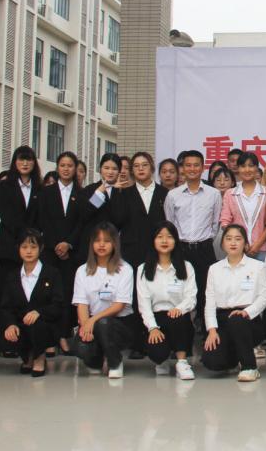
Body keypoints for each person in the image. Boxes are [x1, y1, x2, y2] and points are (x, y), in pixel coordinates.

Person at [201, 224, 266, 381]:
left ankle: (250, 367)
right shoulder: (214, 269)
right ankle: (236, 356)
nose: (233, 243)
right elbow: (210, 302)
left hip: (248, 320)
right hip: (222, 320)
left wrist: (247, 312)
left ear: (245, 243)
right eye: (229, 238)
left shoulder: (258, 267)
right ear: (222, 243)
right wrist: (212, 330)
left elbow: (265, 297)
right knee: (212, 361)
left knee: (237, 320)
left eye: (238, 239)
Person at [164, 150, 222, 328]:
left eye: (196, 165)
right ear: (182, 168)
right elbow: (169, 223)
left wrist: (204, 240)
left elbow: (215, 224)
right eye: (188, 165)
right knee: (179, 290)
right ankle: (183, 332)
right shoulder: (173, 195)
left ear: (202, 167)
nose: (192, 169)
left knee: (206, 291)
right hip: (181, 249)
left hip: (204, 249)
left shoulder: (213, 194)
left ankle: (206, 330)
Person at [71, 222, 136, 379]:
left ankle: (115, 361)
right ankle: (96, 361)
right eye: (97, 240)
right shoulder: (82, 270)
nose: (101, 245)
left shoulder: (125, 269)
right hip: (92, 321)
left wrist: (92, 320)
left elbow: (119, 305)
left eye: (107, 241)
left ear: (114, 244)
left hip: (119, 323)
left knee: (103, 323)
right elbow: (81, 304)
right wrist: (85, 326)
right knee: (81, 347)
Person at [0, 228, 64, 377]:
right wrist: (10, 324)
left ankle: (39, 358)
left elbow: (58, 304)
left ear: (41, 248)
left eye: (33, 247)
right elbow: (5, 306)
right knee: (9, 328)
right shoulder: (12, 276)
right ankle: (27, 356)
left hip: (45, 323)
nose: (28, 251)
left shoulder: (52, 273)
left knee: (37, 324)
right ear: (18, 249)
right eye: (24, 247)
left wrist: (39, 312)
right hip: (21, 323)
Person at [137, 222, 197, 380]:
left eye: (169, 237)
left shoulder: (186, 267)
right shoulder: (143, 269)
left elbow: (191, 297)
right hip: (156, 318)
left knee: (178, 318)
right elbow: (144, 304)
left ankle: (182, 362)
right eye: (160, 237)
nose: (164, 241)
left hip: (179, 316)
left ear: (176, 240)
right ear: (153, 240)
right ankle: (161, 361)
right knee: (157, 352)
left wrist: (180, 309)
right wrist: (152, 328)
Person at [38, 151, 82, 354]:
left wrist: (68, 244)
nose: (66, 169)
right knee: (48, 294)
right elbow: (43, 221)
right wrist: (57, 244)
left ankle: (64, 335)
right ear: (57, 167)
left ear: (75, 169)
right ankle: (49, 338)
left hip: (71, 253)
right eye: (62, 165)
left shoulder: (82, 193)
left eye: (70, 165)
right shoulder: (46, 192)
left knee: (67, 293)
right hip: (50, 251)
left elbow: (82, 222)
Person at [111, 152, 168, 268]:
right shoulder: (124, 194)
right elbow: (117, 221)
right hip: (131, 252)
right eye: (136, 166)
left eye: (144, 165)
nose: (140, 169)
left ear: (152, 167)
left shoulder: (165, 193)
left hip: (158, 251)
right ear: (132, 170)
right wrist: (115, 192)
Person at [0, 146, 43, 276]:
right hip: (9, 245)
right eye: (21, 159)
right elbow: (5, 214)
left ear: (34, 163)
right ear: (14, 162)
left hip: (33, 245)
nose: (25, 163)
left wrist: (31, 237)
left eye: (29, 160)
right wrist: (23, 236)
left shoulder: (40, 187)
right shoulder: (5, 186)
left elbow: (41, 216)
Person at [221, 152, 266, 261]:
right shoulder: (230, 194)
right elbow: (225, 222)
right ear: (238, 169)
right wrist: (240, 241)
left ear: (257, 168)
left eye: (251, 166)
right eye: (243, 166)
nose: (247, 170)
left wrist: (258, 244)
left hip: (262, 249)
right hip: (237, 249)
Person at [76, 153, 121, 264]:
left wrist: (116, 191)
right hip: (91, 247)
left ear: (119, 171)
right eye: (106, 168)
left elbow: (120, 218)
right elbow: (85, 214)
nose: (110, 172)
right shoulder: (89, 190)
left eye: (114, 169)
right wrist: (100, 192)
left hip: (115, 247)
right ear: (100, 169)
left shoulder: (124, 191)